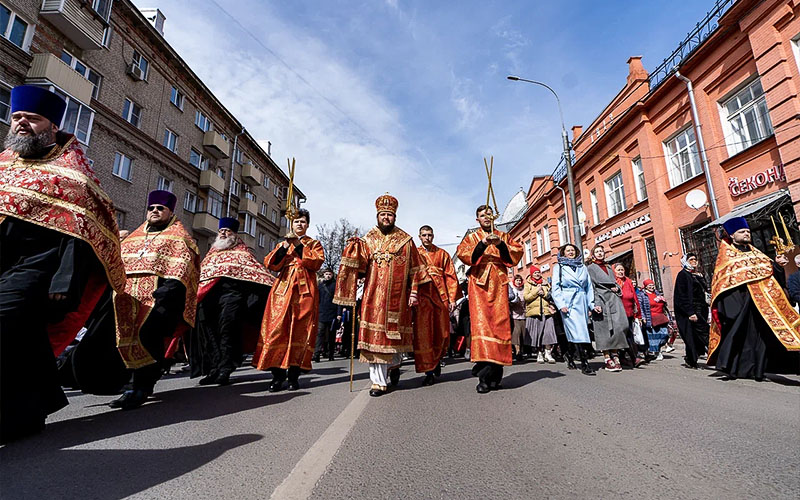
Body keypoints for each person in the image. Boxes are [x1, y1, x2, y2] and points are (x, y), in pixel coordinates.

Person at [0, 86, 126, 443]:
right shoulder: (3, 165)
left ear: (52, 126)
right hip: (3, 263)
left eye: (32, 118)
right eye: (17, 117)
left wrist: (64, 284)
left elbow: (83, 232)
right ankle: (30, 409)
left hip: (40, 267)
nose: (21, 123)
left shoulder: (74, 175)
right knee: (24, 338)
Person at [104, 190, 199, 409]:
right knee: (122, 339)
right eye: (151, 208)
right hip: (126, 299)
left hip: (159, 301)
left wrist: (165, 293)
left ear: (169, 212)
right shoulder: (135, 237)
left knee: (147, 341)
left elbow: (182, 269)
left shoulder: (179, 237)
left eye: (160, 208)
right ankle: (128, 384)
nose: (154, 211)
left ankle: (141, 388)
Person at [334, 194, 429, 397]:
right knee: (375, 340)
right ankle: (378, 382)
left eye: (389, 214)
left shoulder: (406, 240)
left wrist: (413, 293)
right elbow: (359, 269)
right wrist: (353, 251)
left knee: (393, 344)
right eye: (383, 214)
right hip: (372, 297)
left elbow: (416, 270)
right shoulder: (367, 239)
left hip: (398, 300)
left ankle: (393, 367)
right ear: (377, 215)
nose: (386, 218)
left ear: (395, 216)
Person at [708, 217, 800, 381]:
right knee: (742, 337)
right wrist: (734, 307)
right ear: (732, 235)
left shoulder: (756, 253)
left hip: (764, 305)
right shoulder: (727, 257)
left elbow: (771, 277)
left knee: (764, 338)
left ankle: (759, 371)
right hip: (741, 305)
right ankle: (737, 369)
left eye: (748, 231)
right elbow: (722, 283)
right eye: (742, 232)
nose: (746, 234)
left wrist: (778, 266)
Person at [190, 217, 274, 386]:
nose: (223, 234)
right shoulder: (211, 254)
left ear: (235, 235)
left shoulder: (243, 253)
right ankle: (213, 369)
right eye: (221, 231)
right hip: (208, 299)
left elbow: (259, 276)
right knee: (209, 334)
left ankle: (225, 369)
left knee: (227, 332)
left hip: (232, 297)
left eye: (227, 231)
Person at [253, 209, 325, 391]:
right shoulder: (282, 244)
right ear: (291, 225)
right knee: (277, 330)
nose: (299, 224)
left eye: (302, 222)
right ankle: (277, 376)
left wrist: (298, 246)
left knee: (300, 332)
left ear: (307, 225)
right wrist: (285, 247)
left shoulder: (314, 244)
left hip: (304, 293)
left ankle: (293, 376)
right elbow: (271, 264)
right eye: (296, 222)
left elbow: (316, 262)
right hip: (282, 291)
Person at [456, 205, 523, 393]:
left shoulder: (504, 236)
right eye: (482, 215)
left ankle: (495, 376)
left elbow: (515, 254)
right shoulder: (471, 237)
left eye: (489, 215)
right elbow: (465, 255)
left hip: (499, 284)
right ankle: (484, 376)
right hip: (479, 285)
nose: (486, 218)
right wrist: (483, 243)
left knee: (500, 327)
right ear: (477, 219)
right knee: (483, 327)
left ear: (494, 217)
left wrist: (500, 244)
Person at [414, 225, 460, 386]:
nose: (427, 238)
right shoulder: (415, 254)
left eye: (430, 235)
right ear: (419, 236)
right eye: (424, 235)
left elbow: (451, 277)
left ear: (433, 236)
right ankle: (429, 371)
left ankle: (438, 359)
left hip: (441, 299)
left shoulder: (443, 254)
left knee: (442, 334)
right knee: (424, 335)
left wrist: (453, 298)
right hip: (423, 300)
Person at [551, 243, 596, 375]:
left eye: (572, 250)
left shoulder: (582, 267)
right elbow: (555, 287)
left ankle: (569, 355)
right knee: (578, 331)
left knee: (578, 332)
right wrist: (561, 304)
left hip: (581, 300)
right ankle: (584, 363)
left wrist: (590, 305)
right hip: (568, 301)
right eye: (568, 250)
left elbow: (589, 287)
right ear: (563, 253)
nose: (570, 252)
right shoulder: (558, 267)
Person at [586, 246, 631, 372]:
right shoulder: (590, 268)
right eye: (597, 252)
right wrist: (595, 303)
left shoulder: (608, 267)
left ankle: (615, 354)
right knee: (604, 330)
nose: (600, 253)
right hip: (601, 300)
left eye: (601, 251)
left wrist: (617, 289)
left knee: (619, 327)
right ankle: (607, 358)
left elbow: (615, 282)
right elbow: (591, 287)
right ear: (593, 255)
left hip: (614, 300)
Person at [672, 252, 709, 369]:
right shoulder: (682, 275)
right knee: (705, 333)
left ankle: (691, 359)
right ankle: (718, 356)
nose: (694, 261)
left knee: (695, 335)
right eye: (691, 259)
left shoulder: (696, 275)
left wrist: (700, 278)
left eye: (695, 260)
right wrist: (690, 312)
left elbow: (704, 290)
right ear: (685, 261)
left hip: (701, 309)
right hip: (692, 310)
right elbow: (681, 296)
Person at [613, 262, 646, 366]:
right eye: (618, 270)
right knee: (623, 336)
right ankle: (633, 358)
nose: (621, 272)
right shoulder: (613, 282)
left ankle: (630, 358)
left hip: (629, 313)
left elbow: (635, 298)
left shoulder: (628, 281)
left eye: (622, 270)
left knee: (629, 335)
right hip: (618, 313)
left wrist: (638, 315)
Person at [524, 266, 557, 363]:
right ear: (531, 274)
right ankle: (539, 353)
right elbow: (526, 298)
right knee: (537, 334)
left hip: (546, 311)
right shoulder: (528, 284)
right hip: (535, 312)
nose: (537, 274)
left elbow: (551, 296)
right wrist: (536, 291)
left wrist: (544, 294)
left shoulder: (546, 283)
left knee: (548, 332)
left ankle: (548, 353)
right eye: (535, 273)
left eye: (538, 272)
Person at [639, 279, 671, 360]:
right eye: (649, 285)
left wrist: (663, 301)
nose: (651, 287)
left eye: (652, 285)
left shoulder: (657, 293)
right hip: (651, 318)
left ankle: (658, 348)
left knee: (665, 334)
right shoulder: (642, 295)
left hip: (661, 317)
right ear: (646, 286)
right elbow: (641, 307)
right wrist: (643, 317)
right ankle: (657, 352)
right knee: (654, 336)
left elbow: (664, 305)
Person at [313, 268, 338, 362]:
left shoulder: (335, 286)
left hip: (332, 313)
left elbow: (338, 301)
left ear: (332, 275)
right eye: (326, 274)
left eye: (329, 274)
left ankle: (330, 353)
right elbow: (317, 299)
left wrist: (339, 313)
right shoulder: (320, 286)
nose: (327, 276)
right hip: (322, 313)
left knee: (331, 335)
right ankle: (317, 353)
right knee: (320, 334)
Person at [508, 274, 527, 362]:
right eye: (517, 280)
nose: (519, 282)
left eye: (520, 280)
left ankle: (522, 351)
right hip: (514, 315)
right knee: (516, 333)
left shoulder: (524, 289)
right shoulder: (513, 290)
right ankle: (517, 351)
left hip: (524, 314)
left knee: (523, 334)